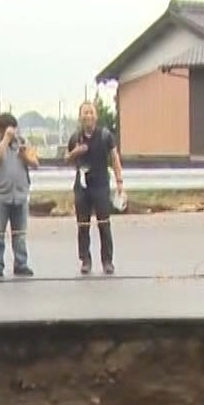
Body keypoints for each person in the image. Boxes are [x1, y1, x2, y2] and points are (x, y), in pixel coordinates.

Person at [67, 100, 124, 275]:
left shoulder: (105, 136)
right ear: (80, 117)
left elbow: (114, 158)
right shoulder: (75, 138)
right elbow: (67, 159)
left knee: (104, 224)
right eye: (85, 113)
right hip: (82, 186)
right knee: (83, 225)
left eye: (91, 112)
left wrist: (119, 181)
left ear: (96, 116)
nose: (88, 116)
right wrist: (75, 152)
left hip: (100, 184)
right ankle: (85, 260)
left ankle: (107, 261)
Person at [0, 112, 37, 278]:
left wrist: (24, 155)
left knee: (20, 233)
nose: (13, 132)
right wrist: (5, 140)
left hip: (19, 193)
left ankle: (21, 263)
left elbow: (35, 163)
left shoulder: (22, 143)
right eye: (8, 129)